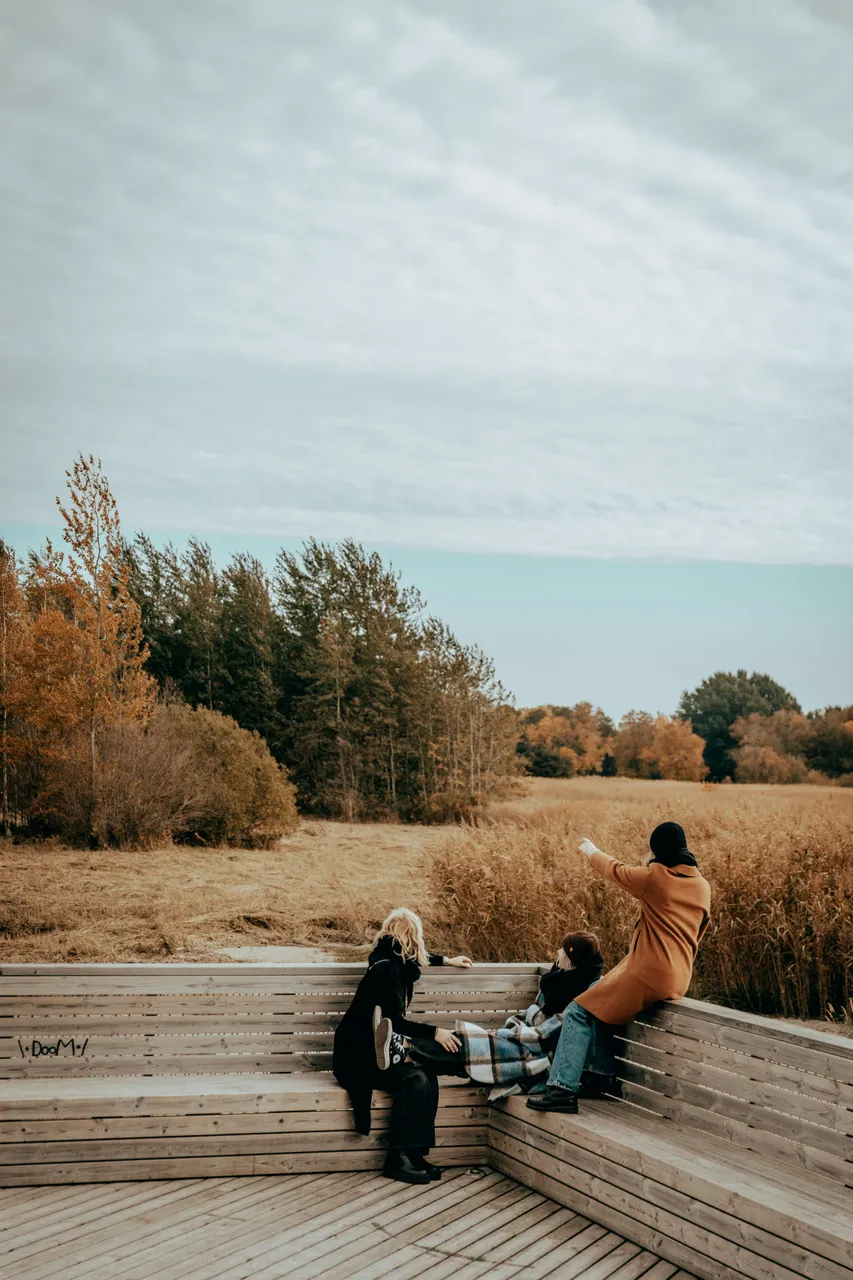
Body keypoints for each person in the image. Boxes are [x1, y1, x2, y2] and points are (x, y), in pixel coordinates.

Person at [528, 821, 711, 1115]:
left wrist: (592, 851)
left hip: (647, 972)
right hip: (679, 976)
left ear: (658, 849)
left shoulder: (657, 876)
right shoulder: (702, 886)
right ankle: (599, 1077)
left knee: (578, 1011)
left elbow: (618, 871)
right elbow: (699, 932)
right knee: (595, 995)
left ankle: (561, 1089)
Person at [332, 908, 473, 1185]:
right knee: (416, 1079)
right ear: (414, 940)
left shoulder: (391, 959)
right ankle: (396, 1159)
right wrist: (435, 1032)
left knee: (426, 1076)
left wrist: (448, 960)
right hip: (360, 1057)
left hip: (377, 1049)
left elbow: (419, 958)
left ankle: (414, 1153)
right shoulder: (388, 971)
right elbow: (393, 1021)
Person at [401, 931, 605, 1099]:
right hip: (521, 1040)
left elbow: (544, 1038)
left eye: (563, 950)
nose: (558, 951)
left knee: (468, 1043)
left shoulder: (580, 997)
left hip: (537, 1057)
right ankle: (406, 1053)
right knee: (470, 1048)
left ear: (571, 960)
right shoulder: (557, 980)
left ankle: (406, 1049)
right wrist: (514, 1025)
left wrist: (510, 1033)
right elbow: (530, 1013)